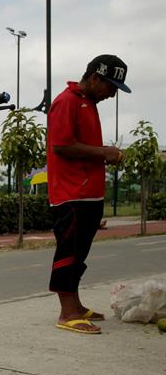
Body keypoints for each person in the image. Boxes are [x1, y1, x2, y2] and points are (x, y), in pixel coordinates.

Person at [47, 54, 130, 334]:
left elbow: (80, 146)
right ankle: (66, 312)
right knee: (68, 252)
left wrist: (102, 153)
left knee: (79, 254)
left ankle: (77, 306)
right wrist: (104, 152)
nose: (112, 94)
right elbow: (61, 146)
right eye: (111, 87)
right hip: (71, 195)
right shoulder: (66, 101)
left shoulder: (87, 103)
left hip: (88, 194)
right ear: (95, 78)